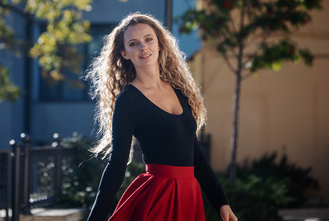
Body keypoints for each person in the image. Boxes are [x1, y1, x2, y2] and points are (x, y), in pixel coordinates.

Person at [86, 13, 237, 221]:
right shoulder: (128, 101)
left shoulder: (181, 91)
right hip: (158, 198)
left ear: (159, 44)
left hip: (189, 196)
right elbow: (117, 164)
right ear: (124, 53)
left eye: (148, 39)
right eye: (133, 43)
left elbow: (194, 152)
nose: (143, 47)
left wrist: (221, 202)